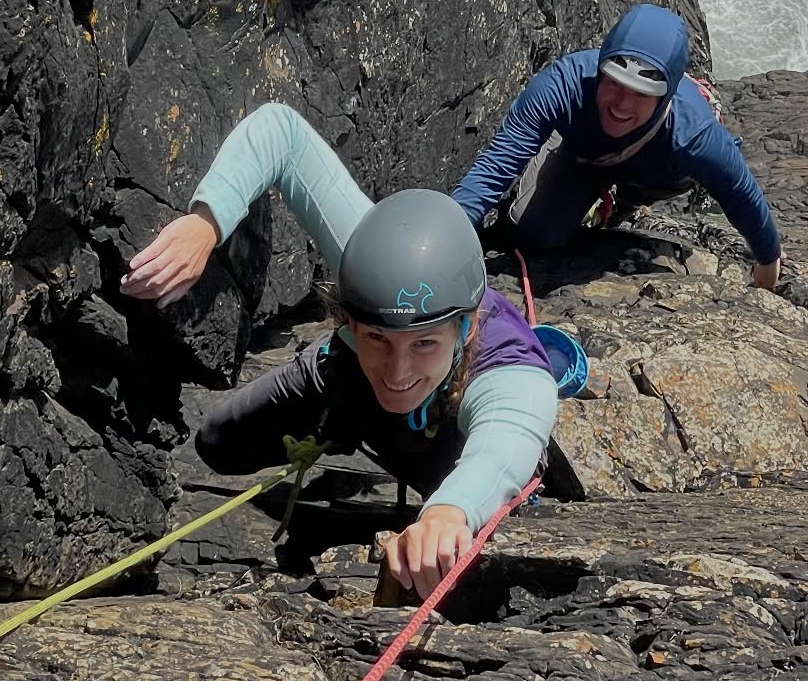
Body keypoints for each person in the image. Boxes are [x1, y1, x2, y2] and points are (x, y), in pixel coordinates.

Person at [120, 104, 558, 598]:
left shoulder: (512, 374)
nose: (398, 370)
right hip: (345, 385)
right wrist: (206, 224)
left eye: (425, 343)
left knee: (480, 537)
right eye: (379, 337)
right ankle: (351, 418)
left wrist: (448, 510)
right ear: (350, 316)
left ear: (466, 325)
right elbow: (281, 133)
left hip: (445, 444)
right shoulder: (369, 257)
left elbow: (506, 441)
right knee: (217, 444)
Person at [452, 2, 783, 288]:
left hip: (658, 171)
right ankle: (590, 188)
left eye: (643, 93)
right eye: (615, 82)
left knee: (652, 183)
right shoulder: (563, 85)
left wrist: (767, 263)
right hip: (585, 154)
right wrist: (446, 236)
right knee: (534, 234)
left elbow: (741, 194)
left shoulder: (695, 136)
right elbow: (496, 166)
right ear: (599, 70)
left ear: (666, 96)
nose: (622, 104)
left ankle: (622, 204)